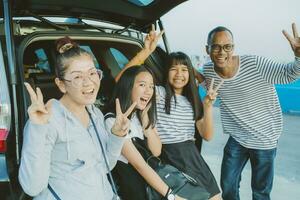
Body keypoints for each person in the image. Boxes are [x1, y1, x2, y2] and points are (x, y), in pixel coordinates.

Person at [19, 36, 136, 200]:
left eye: (92, 73)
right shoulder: (47, 120)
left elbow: (105, 166)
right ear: (61, 84)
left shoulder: (95, 113)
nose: (89, 83)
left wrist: (117, 136)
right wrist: (38, 129)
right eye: (77, 77)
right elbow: (32, 187)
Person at [116, 26, 222, 200]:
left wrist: (208, 106)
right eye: (174, 69)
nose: (179, 74)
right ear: (166, 72)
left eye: (184, 69)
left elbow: (207, 135)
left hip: (193, 157)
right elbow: (124, 80)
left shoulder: (192, 99)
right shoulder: (158, 93)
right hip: (170, 157)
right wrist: (145, 52)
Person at [202, 23, 300, 200]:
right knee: (228, 186)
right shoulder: (209, 70)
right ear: (207, 49)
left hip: (265, 139)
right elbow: (206, 84)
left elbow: (288, 75)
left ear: (233, 48)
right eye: (215, 46)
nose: (221, 52)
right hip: (237, 137)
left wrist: (299, 56)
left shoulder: (255, 64)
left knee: (260, 192)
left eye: (227, 47)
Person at [105, 65, 185, 200]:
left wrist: (145, 121)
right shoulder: (113, 121)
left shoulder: (139, 116)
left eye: (151, 86)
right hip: (133, 191)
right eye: (142, 85)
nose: (149, 91)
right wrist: (172, 196)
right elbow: (139, 165)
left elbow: (156, 151)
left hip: (149, 186)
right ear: (128, 86)